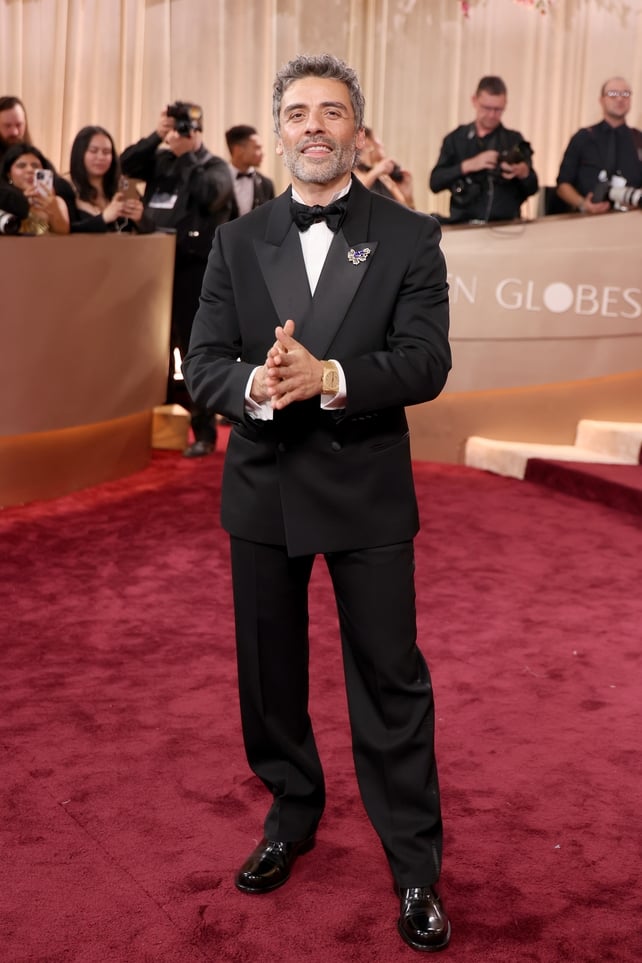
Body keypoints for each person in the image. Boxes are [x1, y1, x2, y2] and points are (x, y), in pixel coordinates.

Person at [183, 54, 452, 953]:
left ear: (353, 127)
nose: (312, 126)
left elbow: (426, 361)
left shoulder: (410, 235)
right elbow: (205, 360)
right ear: (278, 125)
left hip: (369, 487)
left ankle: (414, 866)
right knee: (271, 682)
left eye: (330, 112)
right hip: (264, 489)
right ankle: (291, 813)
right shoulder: (236, 239)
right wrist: (257, 385)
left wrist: (330, 374)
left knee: (390, 682)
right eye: (296, 111)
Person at [121, 101, 234, 457]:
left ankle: (203, 431)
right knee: (152, 352)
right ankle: (157, 427)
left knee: (190, 352)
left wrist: (188, 155)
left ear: (199, 132)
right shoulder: (162, 159)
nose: (180, 135)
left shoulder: (213, 167)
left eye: (187, 129)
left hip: (191, 272)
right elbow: (126, 164)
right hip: (152, 268)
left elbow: (210, 197)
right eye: (177, 128)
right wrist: (157, 135)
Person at [429, 75, 538, 223]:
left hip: (506, 226)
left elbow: (532, 188)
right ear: (475, 101)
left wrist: (524, 173)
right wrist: (468, 166)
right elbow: (435, 183)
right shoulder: (456, 139)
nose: (492, 115)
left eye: (498, 110)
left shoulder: (513, 140)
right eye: (486, 108)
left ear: (505, 104)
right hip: (463, 226)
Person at [556, 76, 642, 215]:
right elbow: (562, 184)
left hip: (631, 222)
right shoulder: (583, 137)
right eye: (613, 94)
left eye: (625, 94)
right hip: (587, 222)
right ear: (601, 100)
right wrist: (583, 204)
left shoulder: (639, 139)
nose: (620, 99)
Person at [67, 125, 154, 233]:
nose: (100, 157)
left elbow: (151, 229)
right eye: (93, 151)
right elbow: (65, 230)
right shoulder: (67, 188)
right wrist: (103, 218)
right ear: (80, 153)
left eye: (106, 152)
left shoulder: (123, 188)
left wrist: (140, 219)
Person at [0, 95, 76, 219]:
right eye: (7, 126)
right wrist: (23, 199)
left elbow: (61, 188)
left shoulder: (35, 157)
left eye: (19, 125)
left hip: (43, 229)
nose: (14, 132)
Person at [0, 143, 69, 234]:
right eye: (21, 166)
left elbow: (63, 234)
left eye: (35, 166)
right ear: (9, 174)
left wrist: (53, 209)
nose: (30, 170)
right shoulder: (4, 202)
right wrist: (22, 204)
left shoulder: (56, 202)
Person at [354, 126, 415, 207]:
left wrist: (408, 196)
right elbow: (354, 194)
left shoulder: (385, 178)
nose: (382, 144)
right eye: (376, 138)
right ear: (367, 141)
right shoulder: (352, 172)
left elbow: (409, 213)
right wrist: (377, 171)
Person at [225, 124, 275, 218]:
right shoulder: (217, 181)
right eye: (257, 147)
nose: (262, 153)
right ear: (238, 150)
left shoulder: (266, 185)